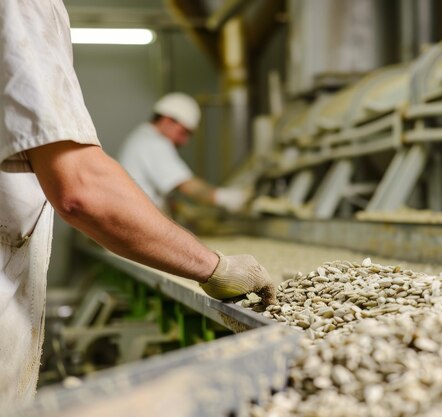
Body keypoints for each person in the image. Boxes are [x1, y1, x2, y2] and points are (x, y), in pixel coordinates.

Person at [0, 0, 275, 406]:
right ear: (170, 121)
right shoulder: (23, 7)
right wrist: (217, 266)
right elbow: (82, 191)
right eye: (184, 133)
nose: (184, 140)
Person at [118, 92, 249, 214]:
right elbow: (187, 185)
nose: (184, 142)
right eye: (183, 132)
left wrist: (183, 209)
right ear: (167, 120)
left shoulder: (142, 136)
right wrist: (228, 198)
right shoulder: (154, 143)